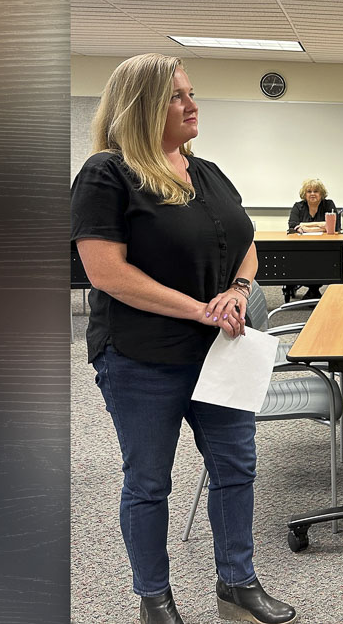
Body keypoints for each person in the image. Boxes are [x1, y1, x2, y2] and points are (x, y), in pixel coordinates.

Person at [70, 53, 296, 624]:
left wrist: (239, 291)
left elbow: (245, 244)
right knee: (149, 480)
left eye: (191, 93)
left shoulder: (208, 172)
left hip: (221, 351)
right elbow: (107, 273)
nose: (193, 105)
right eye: (177, 96)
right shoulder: (106, 173)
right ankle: (155, 599)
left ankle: (238, 585)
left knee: (235, 468)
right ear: (142, 106)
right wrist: (199, 308)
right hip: (142, 356)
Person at [285, 178, 337, 300]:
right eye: (309, 191)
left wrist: (304, 226)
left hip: (325, 247)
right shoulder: (298, 206)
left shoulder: (328, 205)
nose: (312, 194)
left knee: (322, 261)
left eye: (316, 191)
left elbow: (334, 226)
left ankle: (313, 290)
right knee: (303, 260)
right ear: (305, 194)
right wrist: (321, 225)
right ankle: (314, 290)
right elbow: (292, 225)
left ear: (321, 194)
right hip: (301, 247)